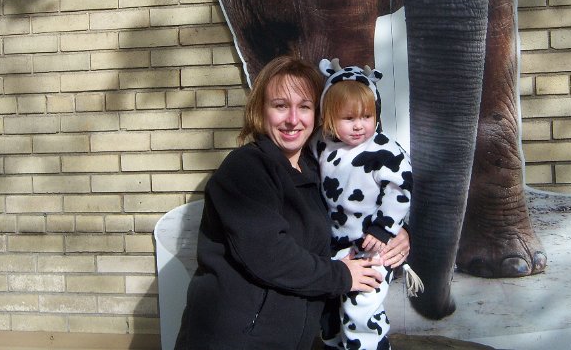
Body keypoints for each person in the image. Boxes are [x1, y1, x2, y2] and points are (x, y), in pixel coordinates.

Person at [174, 55, 410, 350]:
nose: (293, 119)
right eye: (280, 106)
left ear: (319, 113)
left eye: (305, 107)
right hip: (235, 339)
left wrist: (396, 231)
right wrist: (342, 276)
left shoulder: (319, 168)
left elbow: (352, 211)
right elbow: (270, 255)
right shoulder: (246, 168)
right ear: (260, 109)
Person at [314, 58, 415, 350]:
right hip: (333, 245)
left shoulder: (385, 151)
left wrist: (384, 229)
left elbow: (400, 191)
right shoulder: (321, 145)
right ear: (328, 117)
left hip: (371, 246)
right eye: (348, 118)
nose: (359, 125)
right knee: (330, 313)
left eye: (367, 116)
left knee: (361, 308)